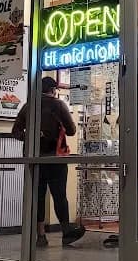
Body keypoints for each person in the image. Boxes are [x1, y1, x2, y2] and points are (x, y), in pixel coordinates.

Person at [12, 76, 85, 247]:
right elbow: (72, 131)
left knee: (37, 196)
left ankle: (41, 236)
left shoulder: (28, 106)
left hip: (34, 158)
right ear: (53, 90)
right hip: (54, 158)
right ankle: (66, 232)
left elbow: (15, 132)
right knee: (59, 196)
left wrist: (32, 136)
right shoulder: (58, 105)